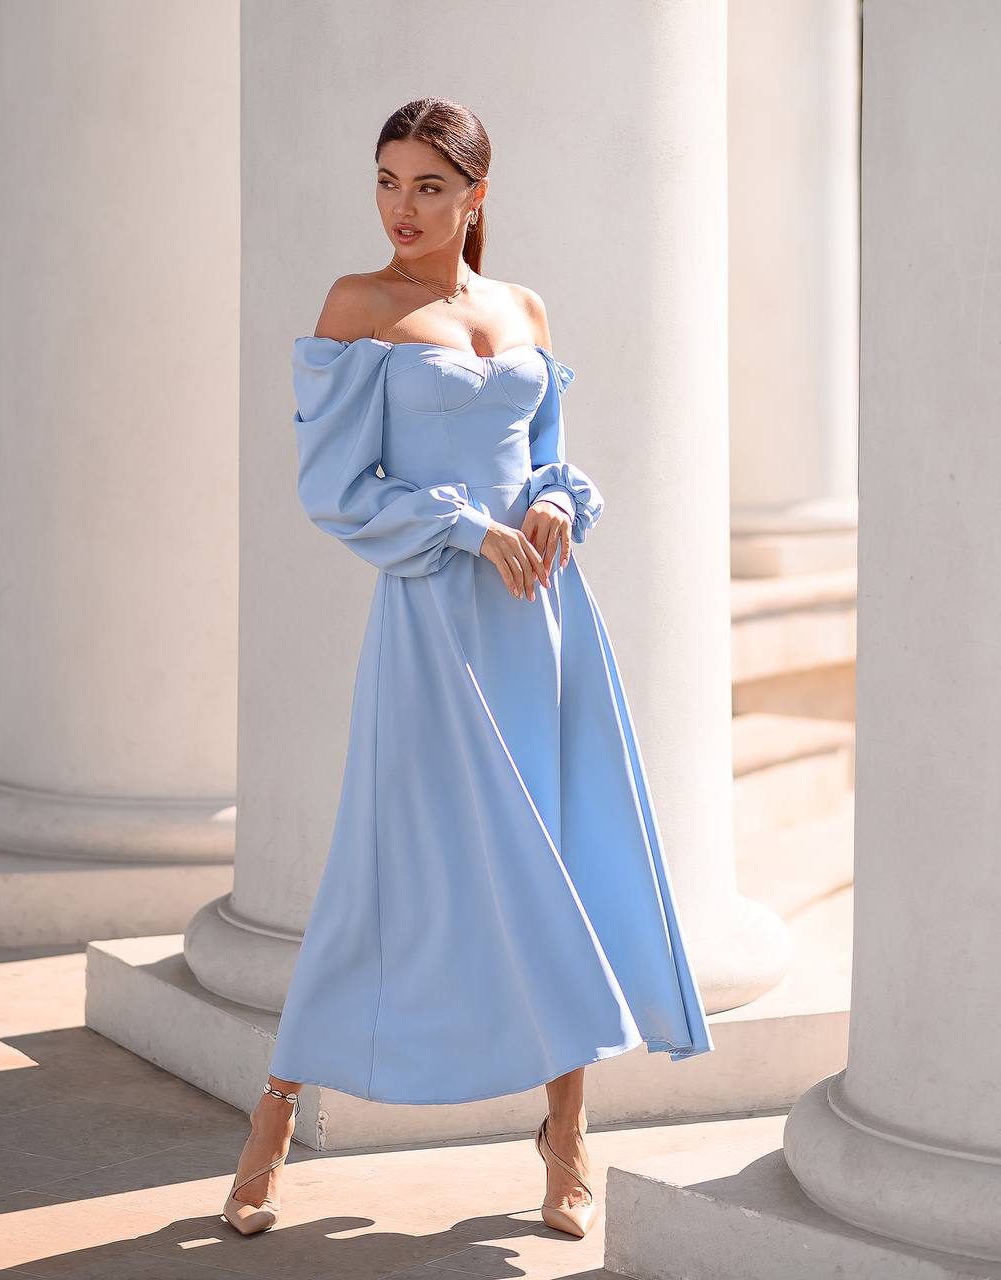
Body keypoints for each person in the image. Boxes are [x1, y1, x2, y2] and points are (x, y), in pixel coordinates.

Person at [222, 96, 714, 1240]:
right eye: (387, 181)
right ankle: (277, 1110)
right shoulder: (359, 308)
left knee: (553, 863)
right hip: (433, 620)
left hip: (539, 622)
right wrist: (466, 529)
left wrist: (548, 499)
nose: (403, 207)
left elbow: (547, 457)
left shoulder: (520, 306)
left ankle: (566, 1131)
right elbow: (334, 488)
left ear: (475, 196)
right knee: (381, 869)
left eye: (429, 186)